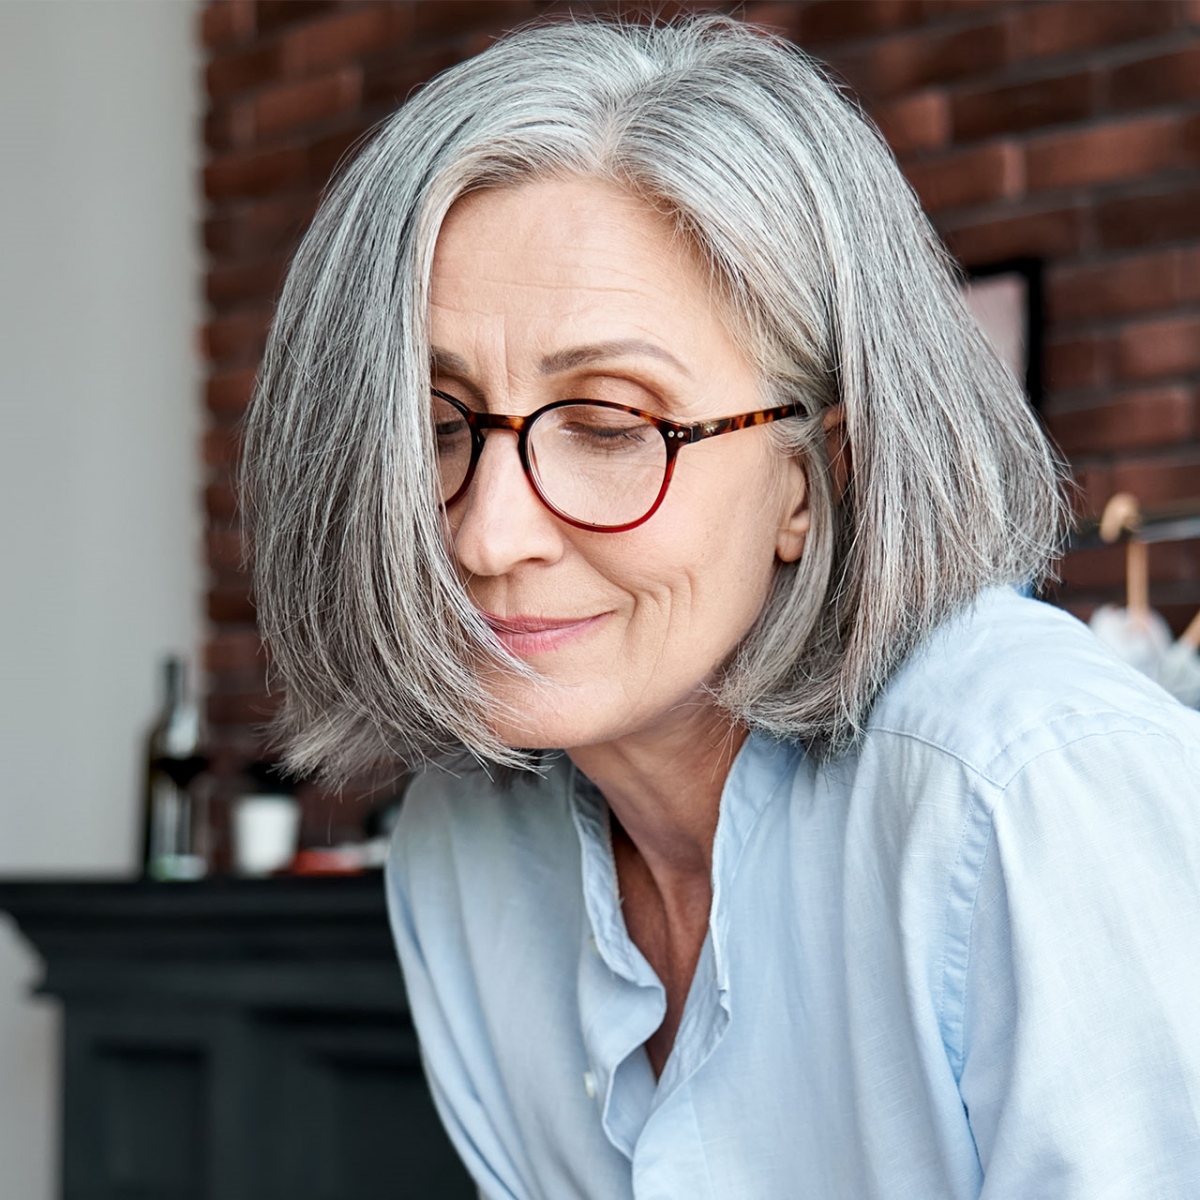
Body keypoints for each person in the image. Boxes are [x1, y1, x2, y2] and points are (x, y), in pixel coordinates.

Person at [242, 17, 1200, 1199]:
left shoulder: (1030, 792)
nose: (486, 536)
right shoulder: (462, 855)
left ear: (813, 476)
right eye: (437, 427)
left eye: (609, 426)